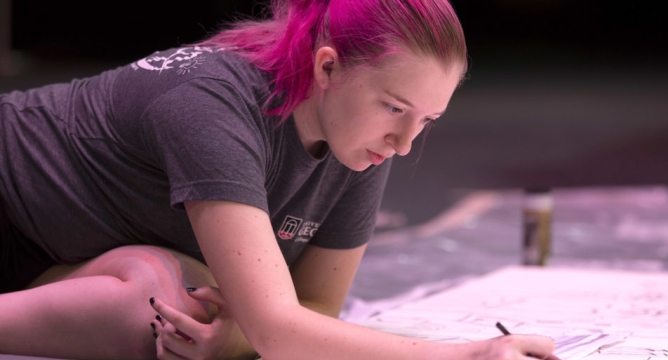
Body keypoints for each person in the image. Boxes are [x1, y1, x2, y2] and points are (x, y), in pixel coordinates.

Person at [0, 0, 560, 359]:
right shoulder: (211, 106)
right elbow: (278, 328)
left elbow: (314, 304)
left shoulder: (361, 142)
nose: (406, 143)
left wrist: (234, 337)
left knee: (176, 314)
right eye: (394, 108)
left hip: (56, 249)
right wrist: (473, 354)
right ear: (327, 68)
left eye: (427, 121)